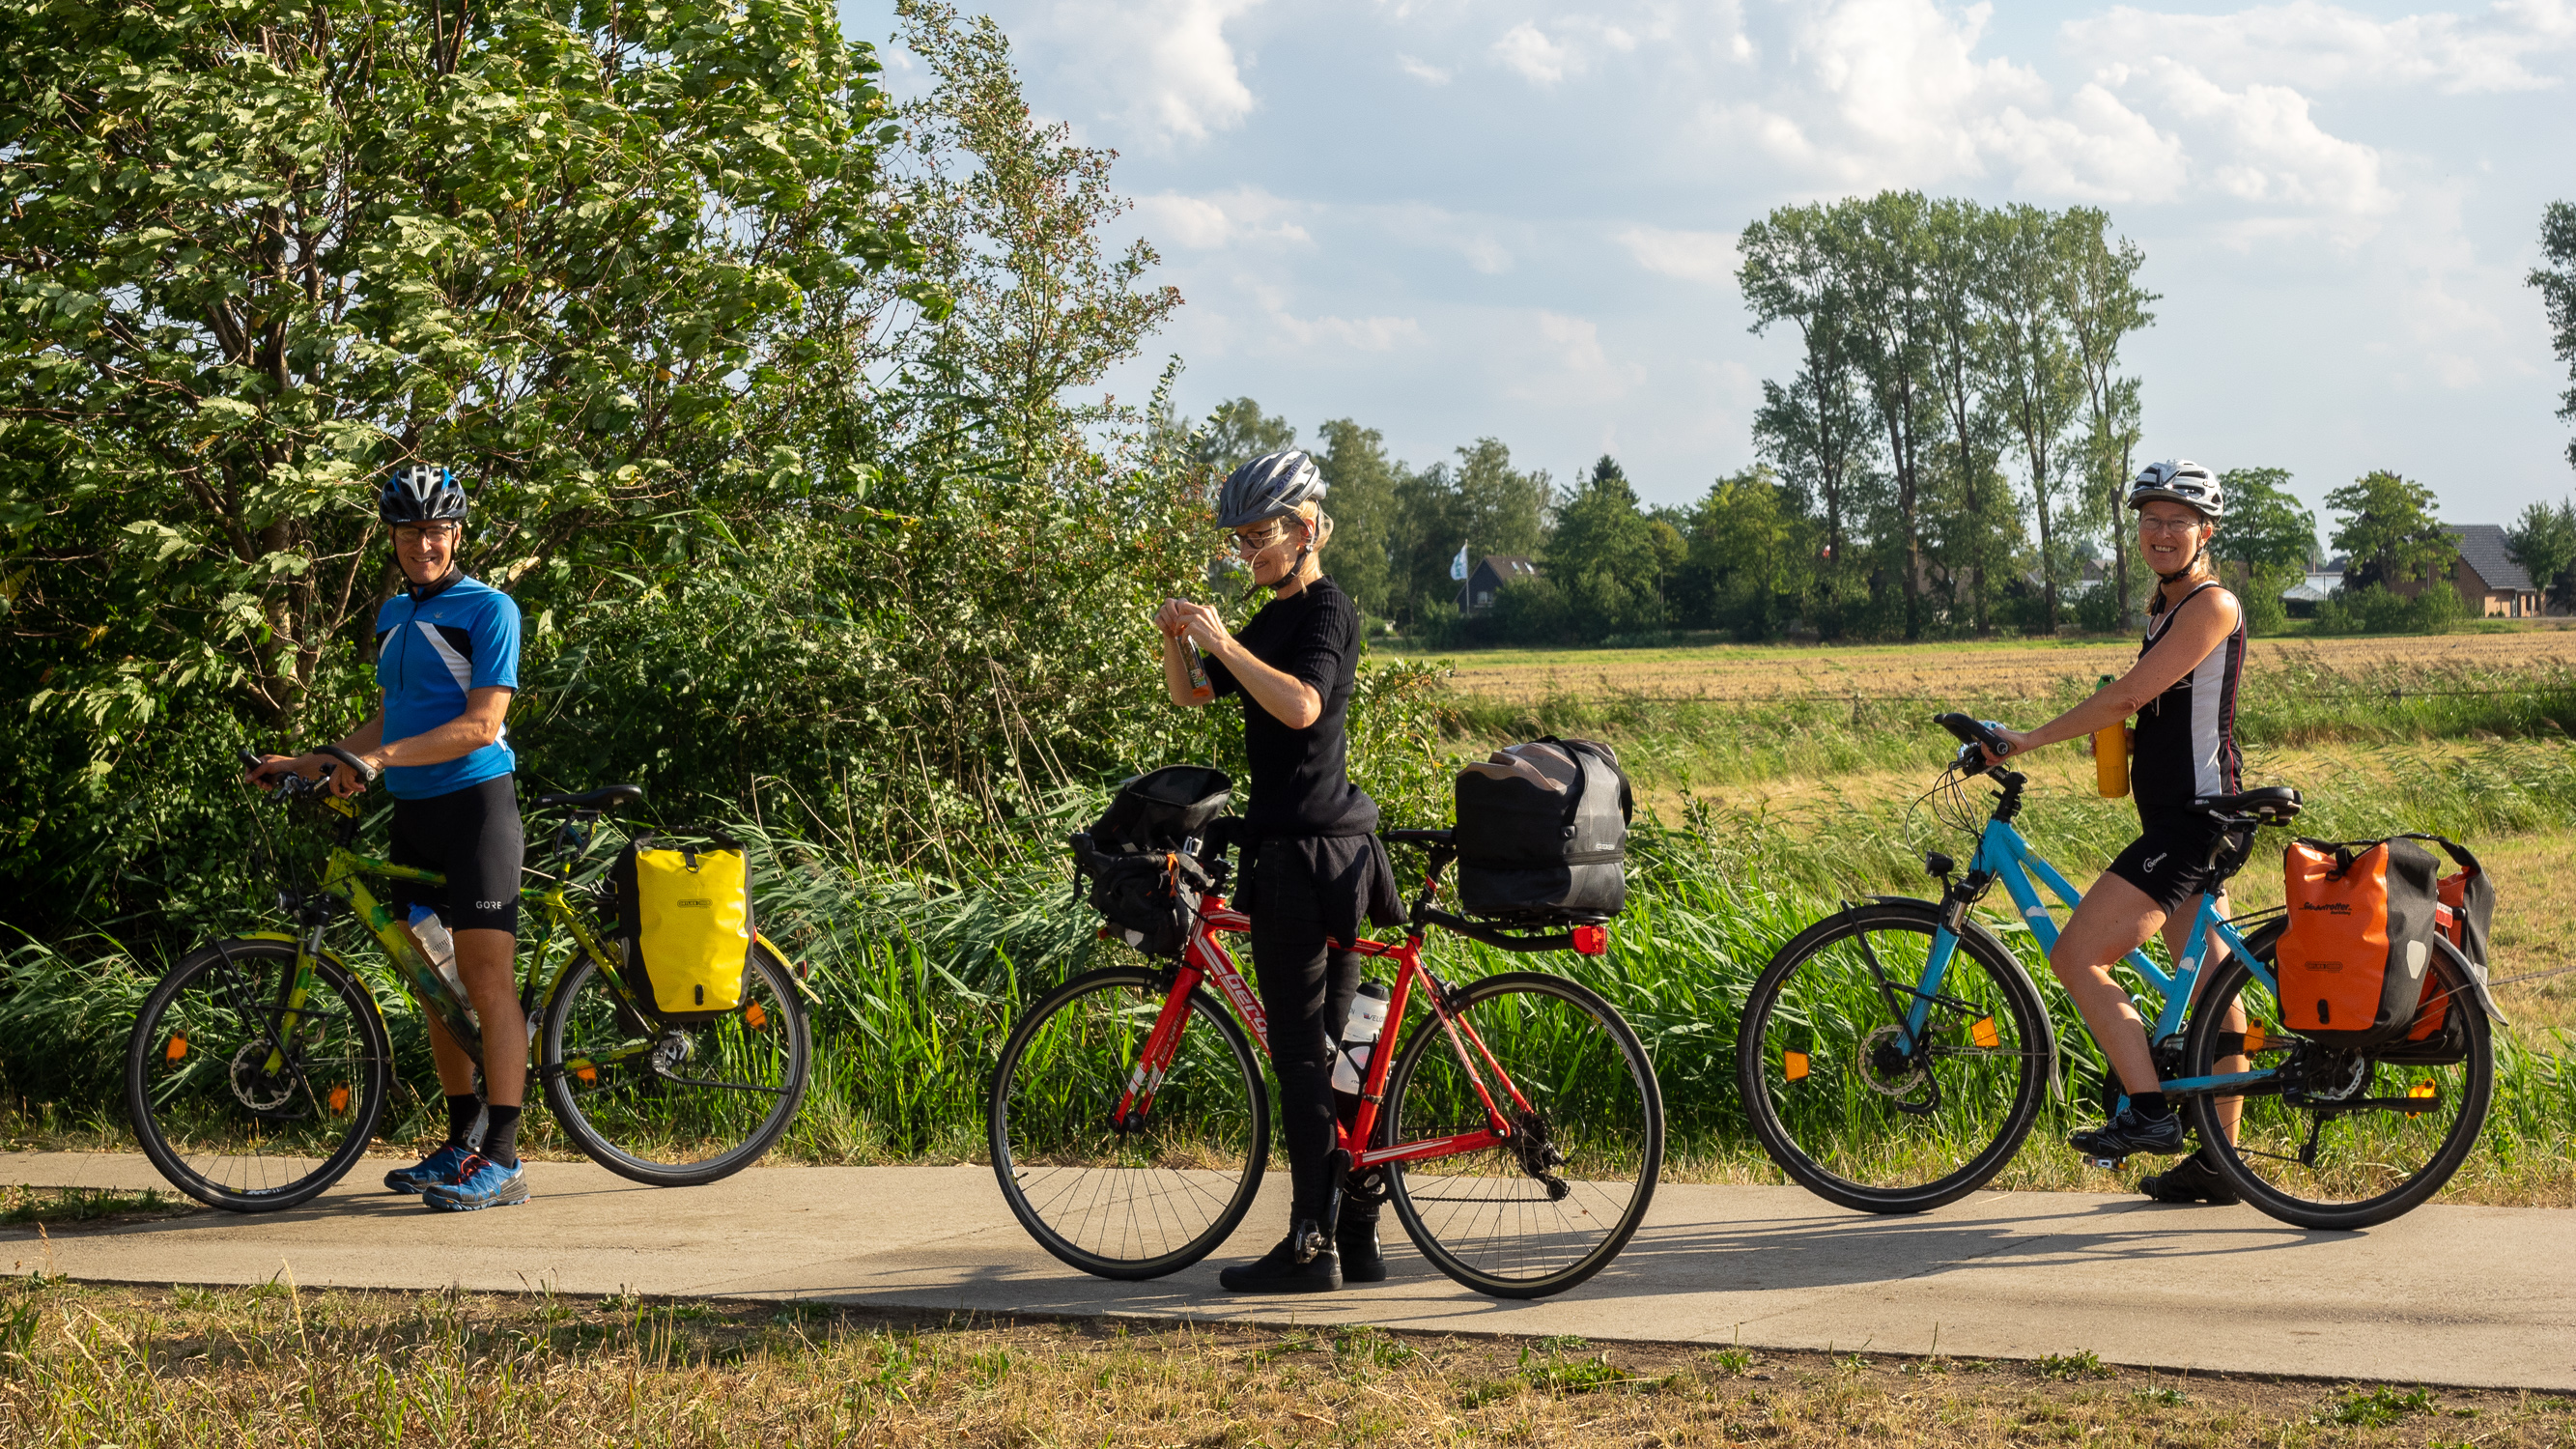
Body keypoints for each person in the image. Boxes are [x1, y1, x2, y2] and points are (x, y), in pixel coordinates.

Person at [247, 464, 532, 1212]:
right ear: (394, 540)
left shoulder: (490, 609)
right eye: (409, 532)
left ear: (456, 534)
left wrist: (376, 760)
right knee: (433, 986)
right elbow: (390, 718)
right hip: (414, 815)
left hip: (476, 811)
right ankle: (460, 1142)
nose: (422, 544)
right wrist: (311, 761)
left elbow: (482, 724)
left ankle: (504, 1157)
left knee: (486, 982)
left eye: (435, 531)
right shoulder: (393, 614)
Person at [1156, 449, 1401, 1293]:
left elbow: (1301, 705)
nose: (1244, 553)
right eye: (1238, 539)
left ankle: (1307, 1247)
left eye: (1256, 536)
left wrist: (1221, 637)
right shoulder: (1276, 615)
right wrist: (1179, 642)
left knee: (1301, 1057)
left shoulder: (1326, 609)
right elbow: (1194, 695)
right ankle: (1354, 1240)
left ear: (1304, 530)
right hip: (1318, 851)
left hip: (1308, 857)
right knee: (1337, 1061)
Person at [1975, 460, 2250, 1205]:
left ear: (2204, 532)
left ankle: (2150, 1113)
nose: (2160, 532)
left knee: (2076, 955)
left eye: (2176, 521)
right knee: (2215, 986)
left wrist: (2027, 740)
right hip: (2185, 815)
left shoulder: (2210, 605)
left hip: (2193, 820)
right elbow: (2154, 710)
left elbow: (2130, 694)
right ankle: (2222, 1163)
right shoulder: (2164, 607)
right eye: (2149, 520)